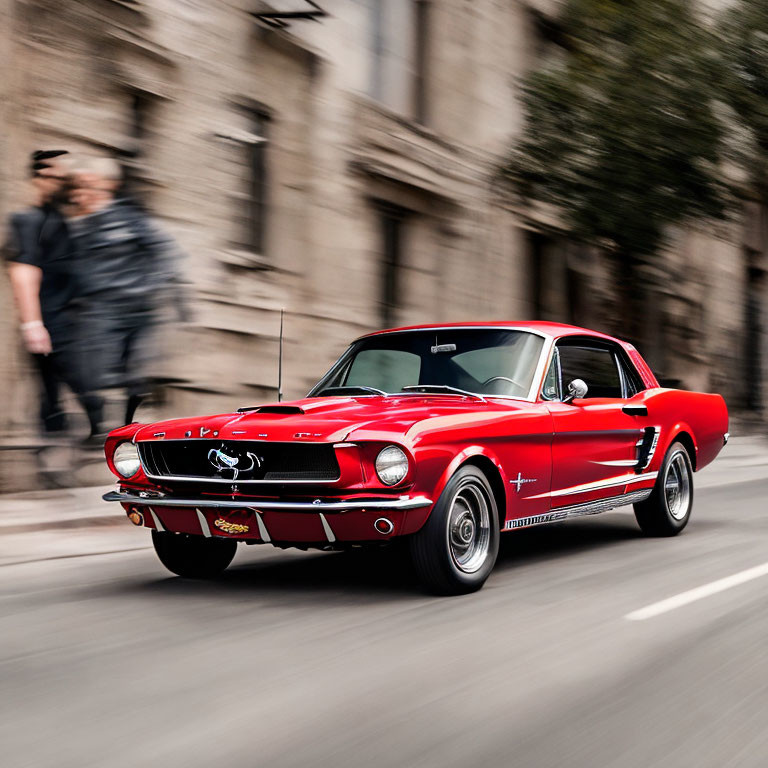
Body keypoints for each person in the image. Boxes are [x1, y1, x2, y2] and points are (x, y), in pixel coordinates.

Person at [67, 156, 187, 428]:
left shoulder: (130, 218)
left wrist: (155, 287)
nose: (85, 191)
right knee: (88, 373)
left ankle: (126, 427)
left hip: (137, 310)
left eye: (91, 184)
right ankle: (97, 423)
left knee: (134, 376)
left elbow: (165, 252)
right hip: (100, 310)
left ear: (108, 186)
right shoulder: (81, 224)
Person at [3, 149, 104, 437]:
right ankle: (64, 445)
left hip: (68, 320)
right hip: (50, 322)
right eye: (56, 175)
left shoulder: (60, 220)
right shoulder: (28, 221)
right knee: (67, 389)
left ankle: (64, 446)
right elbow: (23, 271)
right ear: (39, 178)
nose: (64, 182)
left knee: (55, 391)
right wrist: (33, 323)